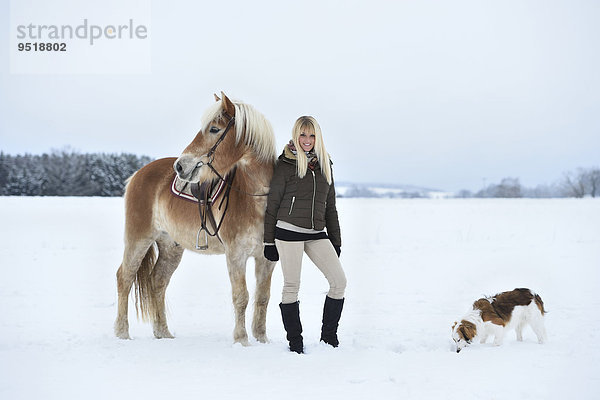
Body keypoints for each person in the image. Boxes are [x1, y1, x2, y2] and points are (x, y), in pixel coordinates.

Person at [263, 115, 347, 354]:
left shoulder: (325, 164)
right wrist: (269, 241)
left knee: (339, 282)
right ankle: (295, 342)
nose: (307, 140)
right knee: (291, 286)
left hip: (316, 233)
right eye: (302, 134)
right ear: (295, 136)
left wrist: (335, 240)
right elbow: (272, 205)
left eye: (311, 135)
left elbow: (330, 206)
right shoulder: (286, 164)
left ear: (317, 137)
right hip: (287, 231)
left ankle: (329, 338)